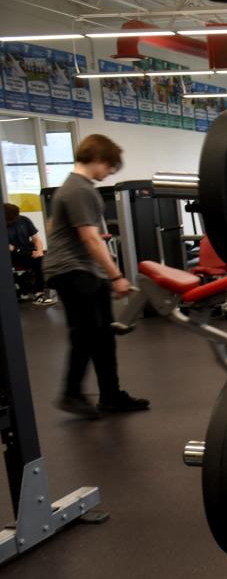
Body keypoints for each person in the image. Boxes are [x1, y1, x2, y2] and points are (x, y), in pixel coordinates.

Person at [42, 134, 148, 419]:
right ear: (100, 159)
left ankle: (111, 395)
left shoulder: (73, 187)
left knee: (102, 336)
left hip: (83, 269)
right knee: (87, 334)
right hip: (71, 270)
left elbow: (54, 227)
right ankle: (71, 393)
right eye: (110, 167)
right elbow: (90, 238)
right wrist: (116, 276)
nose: (110, 174)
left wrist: (103, 272)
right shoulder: (79, 189)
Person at [6, 202, 55, 305]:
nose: (16, 219)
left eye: (17, 216)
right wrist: (16, 249)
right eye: (13, 218)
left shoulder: (23, 220)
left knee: (41, 258)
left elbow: (36, 239)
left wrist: (40, 251)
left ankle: (38, 294)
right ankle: (23, 285)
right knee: (33, 258)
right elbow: (10, 248)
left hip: (27, 251)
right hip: (11, 255)